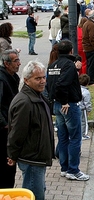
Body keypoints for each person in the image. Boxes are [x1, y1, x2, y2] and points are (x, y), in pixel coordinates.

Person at [7, 61, 54, 200]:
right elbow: (17, 133)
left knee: (38, 191)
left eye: (43, 77)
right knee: (35, 195)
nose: (42, 81)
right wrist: (12, 155)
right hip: (32, 159)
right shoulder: (25, 102)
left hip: (37, 157)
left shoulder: (37, 96)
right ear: (26, 80)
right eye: (38, 78)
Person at [46, 40, 89, 181]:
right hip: (68, 104)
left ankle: (64, 168)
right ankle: (73, 170)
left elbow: (51, 85)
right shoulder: (68, 65)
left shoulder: (52, 65)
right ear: (71, 51)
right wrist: (65, 101)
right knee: (75, 138)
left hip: (57, 105)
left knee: (63, 138)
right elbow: (61, 84)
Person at [0, 50, 21, 188]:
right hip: (4, 129)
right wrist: (4, 123)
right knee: (6, 163)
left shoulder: (12, 76)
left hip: (10, 124)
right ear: (7, 64)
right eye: (16, 61)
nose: (19, 63)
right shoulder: (2, 79)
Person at [82, 9, 94, 85]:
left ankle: (89, 80)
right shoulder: (91, 25)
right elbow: (92, 37)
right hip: (91, 48)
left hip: (87, 47)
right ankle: (91, 81)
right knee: (92, 65)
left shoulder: (87, 23)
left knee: (90, 65)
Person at [78, 74, 92, 141]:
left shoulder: (77, 89)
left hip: (77, 107)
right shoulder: (86, 92)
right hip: (82, 109)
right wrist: (89, 110)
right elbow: (87, 102)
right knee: (84, 122)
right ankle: (83, 134)